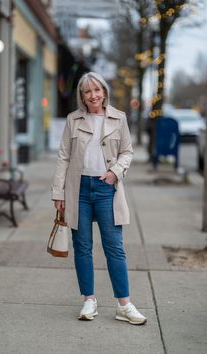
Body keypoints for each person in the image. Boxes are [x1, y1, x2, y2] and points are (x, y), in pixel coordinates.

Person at [52, 72, 147, 325]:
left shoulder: (119, 118)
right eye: (87, 91)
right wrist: (58, 193)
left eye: (97, 90)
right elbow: (63, 156)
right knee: (82, 247)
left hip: (107, 189)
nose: (93, 95)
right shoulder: (73, 120)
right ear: (81, 96)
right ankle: (89, 301)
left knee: (114, 247)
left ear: (104, 91)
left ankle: (124, 305)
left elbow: (127, 151)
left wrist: (115, 173)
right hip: (78, 189)